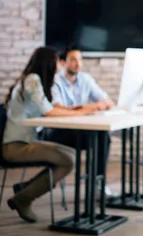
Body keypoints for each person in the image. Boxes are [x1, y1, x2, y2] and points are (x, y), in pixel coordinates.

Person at [3, 47, 108, 223]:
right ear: (48, 64)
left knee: (71, 156)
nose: (59, 66)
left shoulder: (33, 79)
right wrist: (82, 112)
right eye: (57, 62)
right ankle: (24, 198)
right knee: (68, 160)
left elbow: (50, 107)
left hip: (25, 141)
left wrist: (77, 110)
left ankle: (26, 189)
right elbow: (49, 112)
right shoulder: (33, 80)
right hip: (16, 146)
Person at [39, 44, 116, 196]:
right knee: (96, 137)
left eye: (80, 59)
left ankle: (96, 183)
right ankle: (92, 185)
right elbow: (58, 109)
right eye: (73, 59)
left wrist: (103, 104)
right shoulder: (55, 81)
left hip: (78, 130)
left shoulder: (85, 79)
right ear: (63, 63)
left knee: (102, 136)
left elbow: (106, 100)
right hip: (56, 132)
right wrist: (91, 108)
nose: (78, 64)